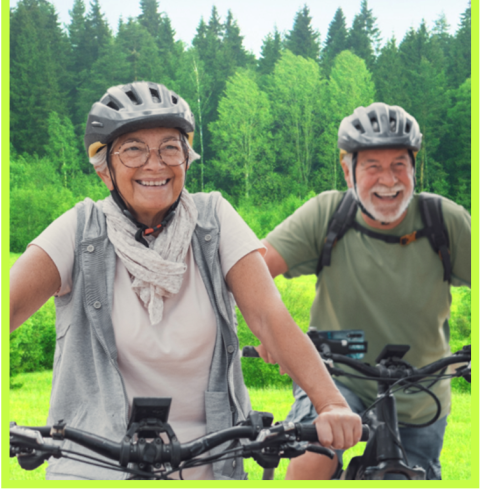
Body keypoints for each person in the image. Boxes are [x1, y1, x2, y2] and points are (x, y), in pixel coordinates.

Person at [10, 81, 361, 480]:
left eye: (170, 148)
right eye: (133, 149)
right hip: (94, 465)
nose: (154, 163)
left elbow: (269, 317)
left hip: (206, 464)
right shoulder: (80, 230)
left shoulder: (214, 220)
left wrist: (330, 403)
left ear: (187, 161)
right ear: (105, 170)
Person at [258, 102, 471, 480]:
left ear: (414, 168)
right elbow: (254, 267)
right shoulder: (327, 214)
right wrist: (268, 332)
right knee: (312, 457)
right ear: (348, 169)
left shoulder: (444, 221)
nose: (388, 180)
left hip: (422, 393)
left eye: (398, 165)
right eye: (373, 166)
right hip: (336, 378)